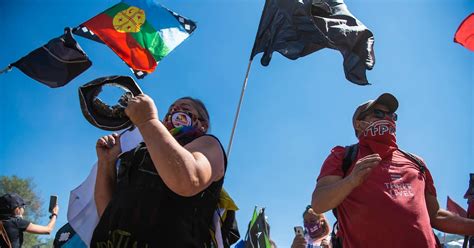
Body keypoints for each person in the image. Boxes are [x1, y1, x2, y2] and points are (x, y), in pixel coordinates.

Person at [311, 93, 474, 248]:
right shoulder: (343, 156)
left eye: (392, 115)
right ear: (359, 124)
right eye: (379, 113)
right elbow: (319, 204)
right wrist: (351, 181)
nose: (388, 118)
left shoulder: (416, 161)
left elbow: (436, 215)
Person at [91, 95, 226, 247]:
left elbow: (188, 180)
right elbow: (108, 214)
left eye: (185, 109)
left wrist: (147, 121)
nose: (175, 111)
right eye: (172, 109)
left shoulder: (208, 144)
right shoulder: (141, 150)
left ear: (202, 125)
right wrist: (106, 163)